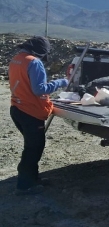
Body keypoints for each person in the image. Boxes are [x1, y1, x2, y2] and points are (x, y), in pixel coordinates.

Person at [9, 36, 69, 196]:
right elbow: (39, 89)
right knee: (34, 148)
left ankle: (32, 179)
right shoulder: (34, 63)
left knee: (31, 146)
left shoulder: (17, 59)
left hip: (17, 108)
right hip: (30, 111)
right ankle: (25, 185)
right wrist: (61, 82)